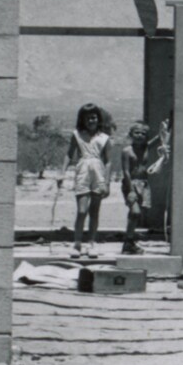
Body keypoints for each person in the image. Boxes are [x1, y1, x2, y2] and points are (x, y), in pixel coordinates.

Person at [64, 103, 113, 258]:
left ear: (98, 119)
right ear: (82, 120)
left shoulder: (104, 138)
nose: (91, 120)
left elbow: (109, 161)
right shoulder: (77, 135)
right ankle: (77, 243)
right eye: (87, 118)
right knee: (81, 210)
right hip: (82, 171)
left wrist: (106, 181)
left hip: (98, 173)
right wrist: (62, 172)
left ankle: (91, 243)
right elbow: (69, 154)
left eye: (93, 117)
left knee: (94, 211)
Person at [120, 118, 167, 253]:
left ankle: (128, 243)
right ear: (131, 134)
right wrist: (130, 191)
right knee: (135, 212)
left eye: (143, 133)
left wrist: (167, 127)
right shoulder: (127, 151)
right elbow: (126, 172)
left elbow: (160, 137)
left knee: (135, 214)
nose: (140, 136)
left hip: (144, 184)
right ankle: (128, 242)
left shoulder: (146, 147)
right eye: (137, 133)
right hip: (130, 184)